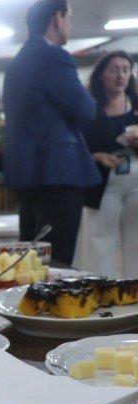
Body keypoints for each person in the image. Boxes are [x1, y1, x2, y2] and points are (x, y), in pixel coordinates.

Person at [2, 0, 100, 265]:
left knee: (31, 261)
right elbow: (85, 110)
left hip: (27, 174)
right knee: (56, 262)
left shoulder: (17, 62)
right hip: (58, 173)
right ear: (57, 18)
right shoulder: (53, 56)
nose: (71, 23)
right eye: (70, 17)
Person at [72, 52, 138, 277]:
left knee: (136, 241)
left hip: (136, 181)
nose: (121, 75)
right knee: (99, 241)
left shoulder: (136, 104)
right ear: (101, 75)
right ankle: (100, 295)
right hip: (102, 182)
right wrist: (97, 156)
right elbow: (78, 146)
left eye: (126, 69)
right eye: (114, 69)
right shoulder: (89, 108)